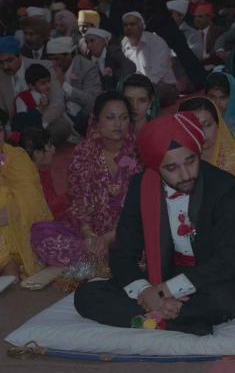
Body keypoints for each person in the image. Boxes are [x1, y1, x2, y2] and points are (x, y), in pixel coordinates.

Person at [74, 112, 235, 335]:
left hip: (212, 278)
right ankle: (176, 319)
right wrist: (146, 292)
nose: (185, 175)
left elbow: (229, 258)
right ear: (156, 167)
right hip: (164, 275)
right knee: (86, 295)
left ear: (198, 153)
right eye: (171, 168)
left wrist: (165, 291)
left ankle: (155, 317)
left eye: (190, 161)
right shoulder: (141, 187)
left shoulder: (224, 186)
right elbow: (123, 252)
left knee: (224, 300)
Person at [31, 92, 139, 268]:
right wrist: (89, 235)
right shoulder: (84, 152)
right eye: (110, 117)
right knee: (40, 233)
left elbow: (141, 206)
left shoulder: (138, 153)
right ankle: (99, 255)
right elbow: (79, 199)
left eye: (124, 117)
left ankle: (103, 257)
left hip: (126, 229)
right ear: (97, 121)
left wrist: (109, 237)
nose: (118, 124)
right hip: (89, 230)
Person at [177, 96, 235, 231]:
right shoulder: (177, 161)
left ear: (218, 125)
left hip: (234, 234)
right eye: (194, 126)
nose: (202, 133)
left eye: (207, 125)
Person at [0, 110, 52, 280]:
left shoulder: (16, 157)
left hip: (15, 235)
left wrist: (10, 212)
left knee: (11, 269)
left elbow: (33, 202)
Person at [0, 36, 71, 145]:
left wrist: (39, 124)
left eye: (9, 60)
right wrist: (9, 132)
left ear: (19, 56)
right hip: (17, 127)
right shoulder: (1, 75)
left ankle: (32, 147)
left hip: (45, 121)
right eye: (1, 62)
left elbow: (58, 103)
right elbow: (2, 111)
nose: (5, 66)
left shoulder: (44, 66)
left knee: (62, 126)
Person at [46, 36, 102, 134]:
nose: (53, 63)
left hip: (83, 117)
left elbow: (92, 99)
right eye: (51, 59)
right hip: (60, 115)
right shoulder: (50, 68)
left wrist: (64, 85)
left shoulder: (87, 67)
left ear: (69, 55)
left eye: (57, 59)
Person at [120, 11, 177, 106]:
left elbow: (158, 71)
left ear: (142, 25)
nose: (129, 27)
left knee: (150, 95)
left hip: (161, 85)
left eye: (132, 24)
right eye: (125, 25)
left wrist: (142, 89)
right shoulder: (123, 44)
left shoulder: (156, 41)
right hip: (135, 88)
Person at [19, 126, 67, 221]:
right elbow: (47, 210)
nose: (54, 149)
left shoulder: (41, 171)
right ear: (37, 153)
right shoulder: (29, 179)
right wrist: (70, 196)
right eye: (50, 146)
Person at [192, 1, 224, 71]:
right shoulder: (192, 33)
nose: (196, 19)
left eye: (200, 16)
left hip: (213, 67)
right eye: (195, 17)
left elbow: (217, 52)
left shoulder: (218, 31)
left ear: (209, 18)